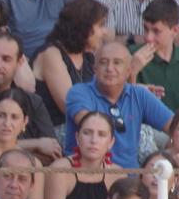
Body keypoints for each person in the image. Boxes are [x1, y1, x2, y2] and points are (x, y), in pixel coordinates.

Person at [64, 40, 173, 170]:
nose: (109, 68)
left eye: (117, 62)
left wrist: (173, 153)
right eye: (103, 62)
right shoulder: (79, 92)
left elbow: (176, 126)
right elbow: (92, 126)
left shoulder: (139, 95)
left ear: (128, 71)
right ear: (95, 69)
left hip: (128, 183)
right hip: (87, 175)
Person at [32, 0, 108, 129]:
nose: (105, 32)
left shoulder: (88, 57)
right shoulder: (51, 54)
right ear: (84, 27)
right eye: (101, 25)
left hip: (90, 127)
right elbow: (70, 107)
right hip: (59, 130)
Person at [43, 110, 122, 199]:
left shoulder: (118, 174)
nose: (93, 140)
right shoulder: (60, 171)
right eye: (87, 133)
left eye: (101, 134)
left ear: (111, 142)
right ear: (77, 137)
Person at [129, 0, 179, 112]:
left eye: (156, 31)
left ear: (174, 30)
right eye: (146, 29)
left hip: (176, 125)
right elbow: (127, 102)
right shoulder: (132, 54)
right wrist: (132, 70)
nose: (148, 38)